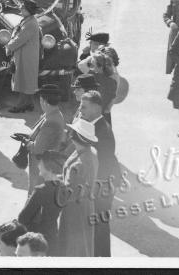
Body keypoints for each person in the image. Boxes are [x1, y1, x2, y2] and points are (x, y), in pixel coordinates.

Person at [77, 91, 120, 257]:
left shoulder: (102, 129)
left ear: (96, 108)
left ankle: (102, 261)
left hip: (103, 182)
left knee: (99, 224)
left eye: (84, 106)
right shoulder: (93, 124)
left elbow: (101, 161)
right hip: (101, 180)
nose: (80, 109)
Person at [56, 117, 99, 257]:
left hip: (74, 211)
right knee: (84, 245)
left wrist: (53, 185)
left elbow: (69, 194)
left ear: (76, 137)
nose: (69, 133)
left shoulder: (79, 164)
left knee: (73, 248)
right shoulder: (89, 151)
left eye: (72, 132)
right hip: (86, 206)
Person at [18, 153, 64, 255]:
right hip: (56, 238)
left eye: (41, 164)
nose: (38, 165)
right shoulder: (64, 186)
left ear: (50, 169)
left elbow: (22, 218)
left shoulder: (41, 191)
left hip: (40, 241)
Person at [25, 85, 67, 192]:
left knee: (34, 192)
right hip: (46, 162)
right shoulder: (53, 114)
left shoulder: (50, 120)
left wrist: (28, 143)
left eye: (40, 99)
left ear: (44, 101)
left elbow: (37, 148)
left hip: (42, 165)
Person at [6, 0, 41, 113]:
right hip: (24, 55)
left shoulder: (30, 23)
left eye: (23, 7)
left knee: (24, 81)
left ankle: (21, 105)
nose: (20, 8)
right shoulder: (28, 20)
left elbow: (20, 38)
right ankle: (29, 104)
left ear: (28, 10)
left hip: (27, 57)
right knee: (27, 80)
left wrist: (9, 47)